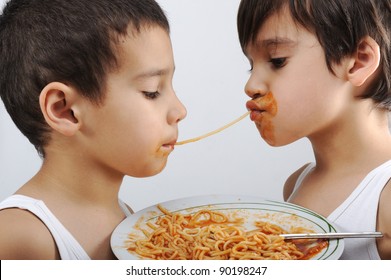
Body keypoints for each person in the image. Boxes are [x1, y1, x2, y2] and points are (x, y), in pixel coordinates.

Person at [0, 0, 186, 259]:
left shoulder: (126, 218)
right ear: (64, 109)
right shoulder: (19, 236)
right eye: (152, 92)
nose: (180, 110)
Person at [237, 0, 391, 259]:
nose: (251, 85)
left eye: (277, 60)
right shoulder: (296, 183)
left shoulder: (385, 198)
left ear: (358, 61)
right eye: (252, 64)